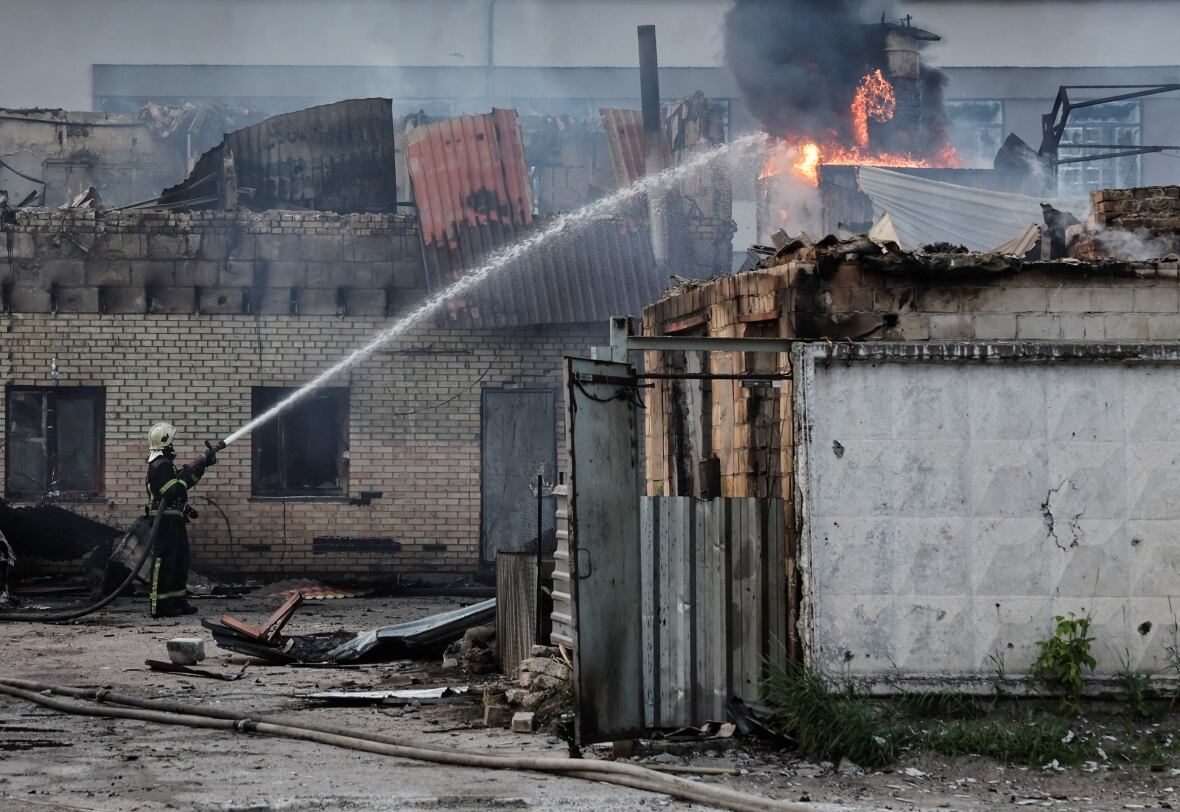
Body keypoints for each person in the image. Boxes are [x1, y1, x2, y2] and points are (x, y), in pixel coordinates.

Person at [144, 422, 218, 618]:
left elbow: (183, 484)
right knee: (165, 563)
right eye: (172, 442)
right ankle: (160, 605)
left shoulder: (166, 465)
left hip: (174, 521)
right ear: (166, 443)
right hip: (164, 522)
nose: (174, 446)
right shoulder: (159, 465)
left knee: (180, 561)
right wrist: (184, 475)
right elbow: (172, 490)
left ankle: (177, 600)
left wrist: (201, 466)